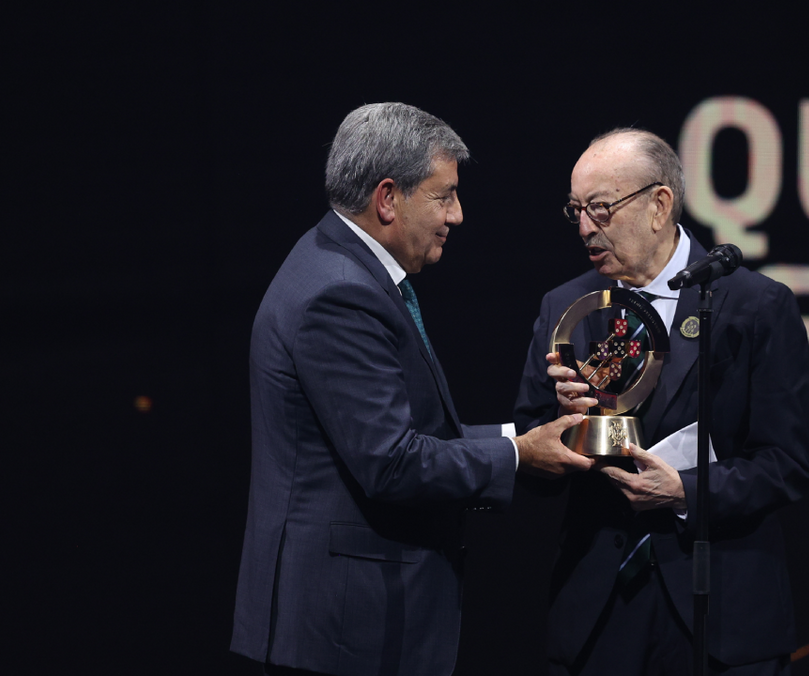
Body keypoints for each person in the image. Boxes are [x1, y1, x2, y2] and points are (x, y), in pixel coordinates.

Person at [231, 102, 591, 676]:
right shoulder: (340, 293)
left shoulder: (339, 265)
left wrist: (521, 436)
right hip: (343, 634)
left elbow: (405, 436)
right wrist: (519, 455)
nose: (458, 215)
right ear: (388, 198)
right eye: (444, 195)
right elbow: (392, 462)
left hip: (345, 625)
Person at [514, 129, 809, 676]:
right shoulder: (566, 307)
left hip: (720, 615)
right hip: (598, 617)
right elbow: (533, 463)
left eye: (600, 209)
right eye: (576, 210)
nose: (584, 228)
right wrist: (564, 426)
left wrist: (684, 492)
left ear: (659, 204)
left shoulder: (757, 306)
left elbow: (786, 464)